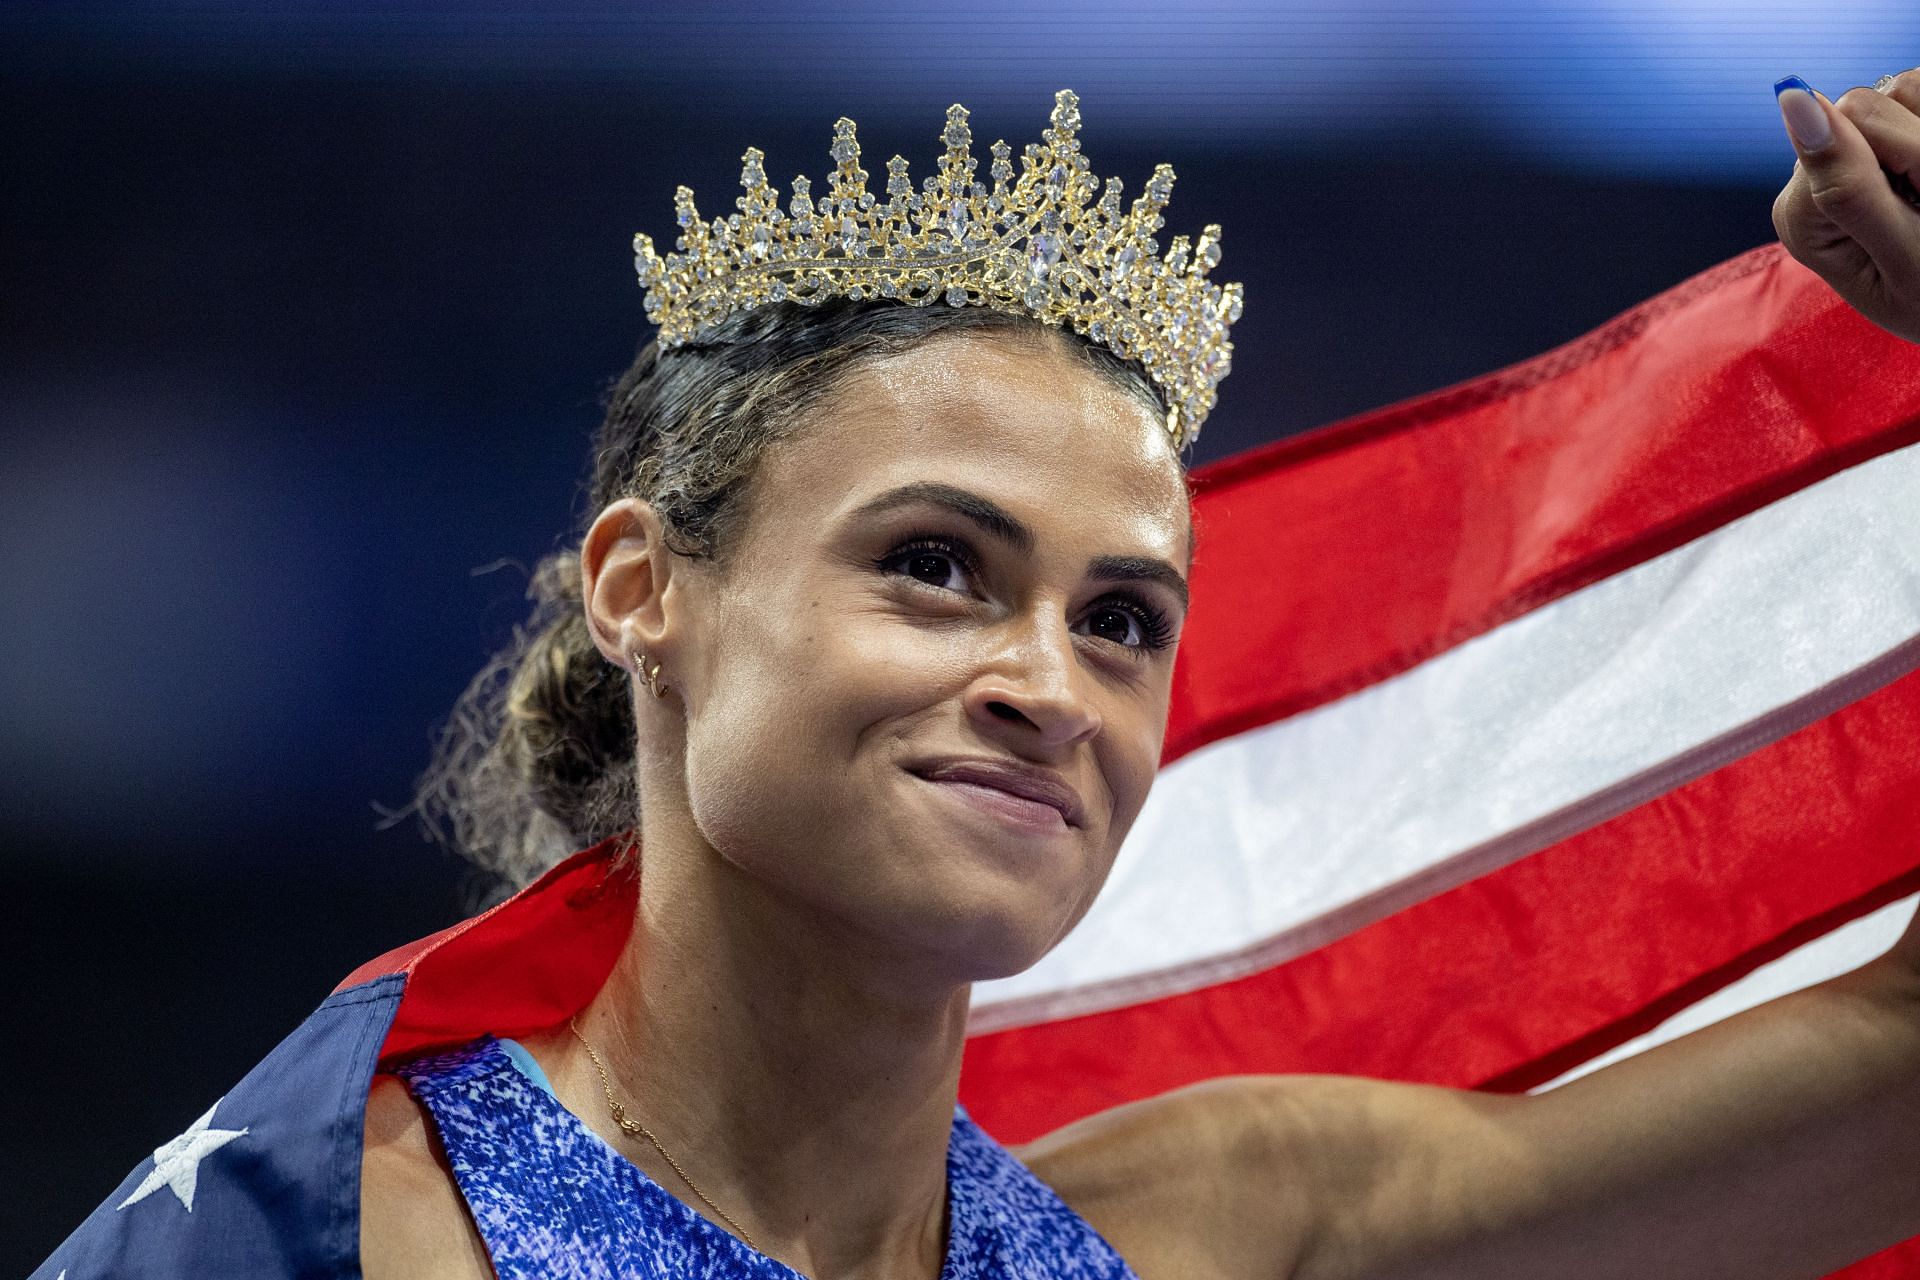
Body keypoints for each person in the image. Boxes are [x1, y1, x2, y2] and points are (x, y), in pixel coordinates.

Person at [32, 77, 1920, 1280]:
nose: (1048, 684)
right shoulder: (348, 1234)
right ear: (644, 588)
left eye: (1124, 619)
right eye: (934, 567)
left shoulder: (1232, 1228)